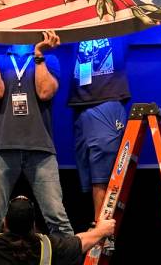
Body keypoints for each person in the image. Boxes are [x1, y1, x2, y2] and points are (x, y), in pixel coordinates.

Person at [0, 29, 74, 236]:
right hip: (2, 148)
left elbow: (45, 92)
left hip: (41, 149)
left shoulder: (50, 59)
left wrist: (39, 55)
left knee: (58, 219)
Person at [0, 193, 116, 265]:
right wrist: (101, 230)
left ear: (5, 223)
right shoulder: (49, 247)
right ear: (34, 225)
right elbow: (80, 242)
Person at [68, 37, 131, 222]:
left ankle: (101, 228)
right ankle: (100, 225)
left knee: (103, 174)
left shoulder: (117, 19)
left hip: (108, 98)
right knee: (89, 176)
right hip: (80, 102)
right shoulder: (75, 18)